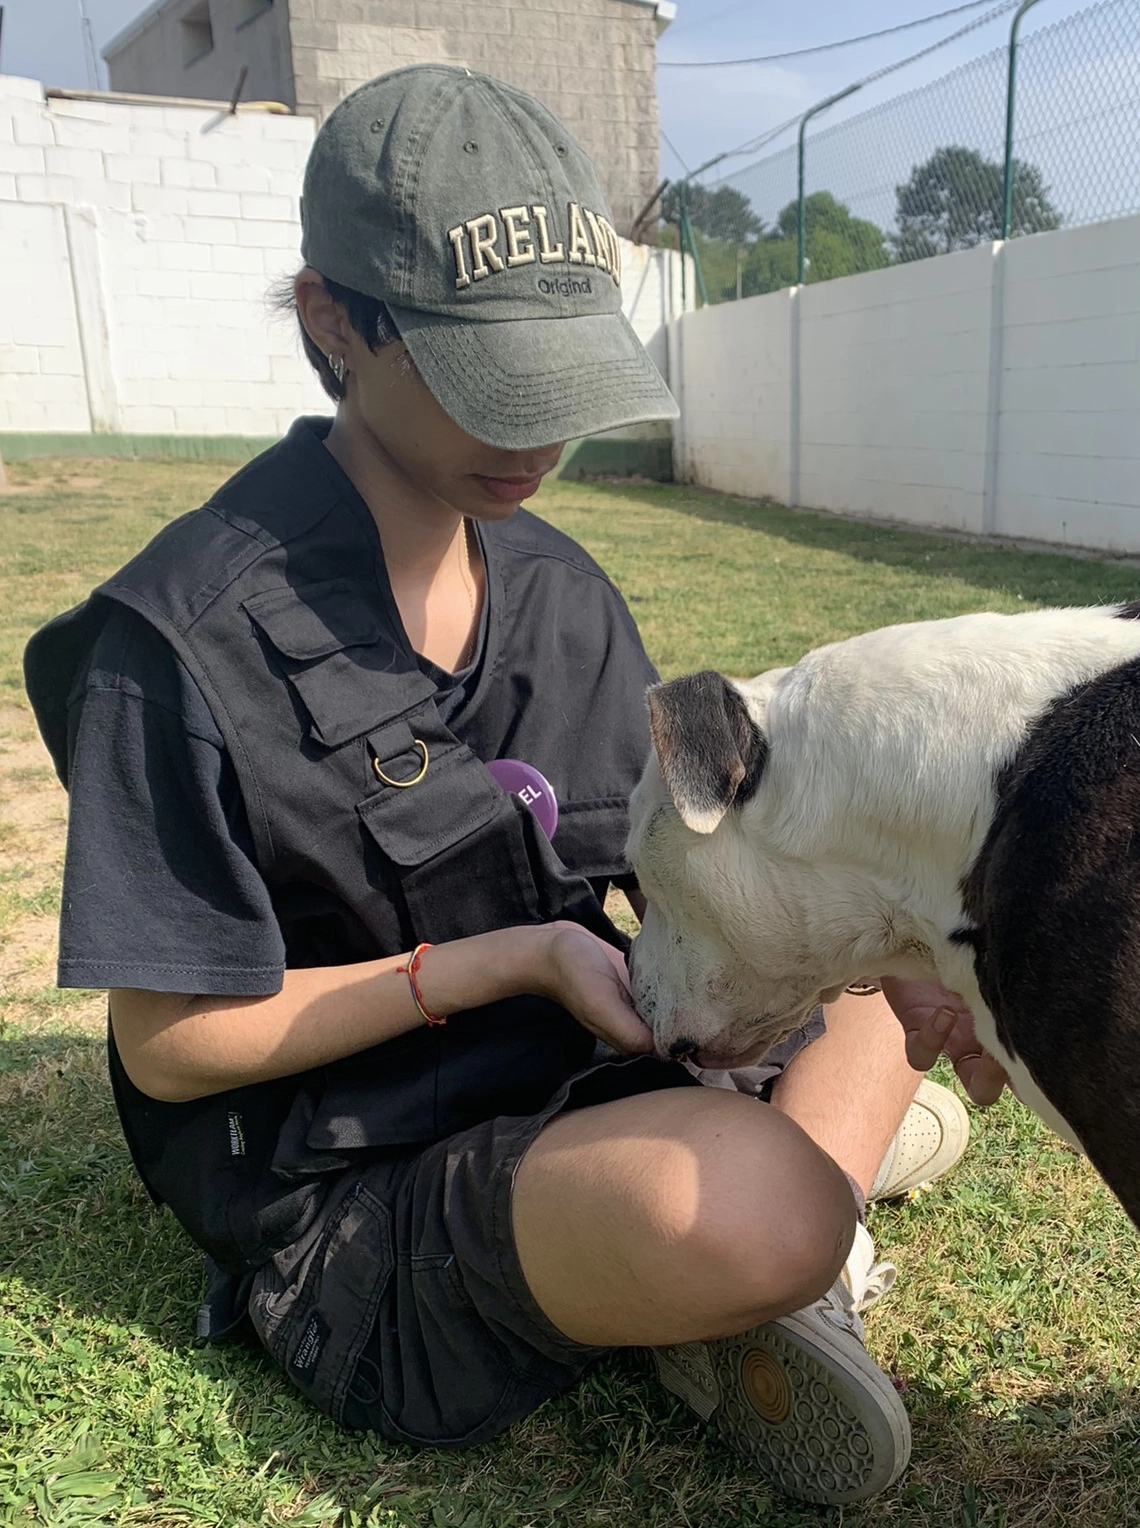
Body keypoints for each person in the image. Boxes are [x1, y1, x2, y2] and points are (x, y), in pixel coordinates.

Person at [24, 65, 1005, 1507]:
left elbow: (676, 870)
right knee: (763, 1207)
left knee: (889, 954)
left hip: (585, 1070)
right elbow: (171, 1048)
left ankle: (774, 1217)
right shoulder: (176, 643)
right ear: (334, 321)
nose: (540, 436)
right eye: (488, 379)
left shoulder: (558, 587)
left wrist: (886, 961)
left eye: (563, 374)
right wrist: (509, 961)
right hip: (367, 1174)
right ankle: (798, 1219)